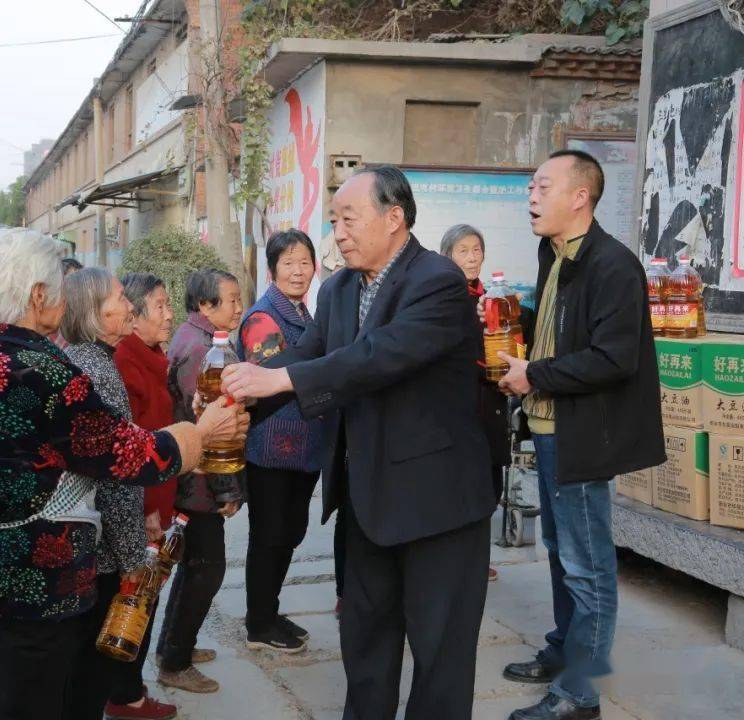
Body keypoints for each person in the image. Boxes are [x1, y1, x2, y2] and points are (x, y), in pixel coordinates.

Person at [0, 228, 246, 720]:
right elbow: (126, 456)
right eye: (57, 281)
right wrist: (198, 434)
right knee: (29, 703)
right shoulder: (46, 371)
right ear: (38, 296)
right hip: (33, 585)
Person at [222, 165, 497, 720]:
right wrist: (248, 392)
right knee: (366, 645)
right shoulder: (343, 286)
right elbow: (315, 353)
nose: (338, 233)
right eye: (334, 221)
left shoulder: (437, 281)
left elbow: (383, 355)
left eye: (349, 219)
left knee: (439, 656)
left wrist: (284, 379)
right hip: (368, 499)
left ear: (394, 218)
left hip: (436, 503)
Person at [492, 151, 664, 720]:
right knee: (561, 551)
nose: (532, 197)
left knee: (588, 563)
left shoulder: (614, 266)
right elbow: (557, 332)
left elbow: (614, 358)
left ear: (579, 197)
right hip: (546, 425)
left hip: (582, 433)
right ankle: (566, 650)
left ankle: (580, 693)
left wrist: (534, 374)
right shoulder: (555, 254)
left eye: (543, 186)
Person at [61, 268, 176, 720]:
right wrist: (131, 558)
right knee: (90, 672)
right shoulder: (101, 371)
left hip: (87, 539)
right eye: (117, 299)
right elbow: (119, 476)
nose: (129, 305)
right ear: (92, 312)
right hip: (101, 546)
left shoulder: (86, 360)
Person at [156, 268, 246, 694]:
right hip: (197, 482)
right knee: (206, 570)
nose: (238, 307)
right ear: (206, 306)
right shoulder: (201, 351)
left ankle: (174, 646)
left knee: (191, 567)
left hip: (190, 476)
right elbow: (212, 427)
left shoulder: (195, 339)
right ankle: (174, 661)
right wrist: (227, 488)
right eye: (230, 300)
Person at [237, 230, 324, 653]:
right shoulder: (262, 318)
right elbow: (270, 379)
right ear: (272, 270)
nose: (297, 270)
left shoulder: (302, 313)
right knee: (270, 536)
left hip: (302, 449)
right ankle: (258, 623)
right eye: (288, 262)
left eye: (304, 262)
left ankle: (268, 611)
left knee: (288, 533)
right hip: (272, 450)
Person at [108, 271, 181, 720]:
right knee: (134, 600)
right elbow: (133, 444)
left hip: (161, 499)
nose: (169, 313)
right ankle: (125, 696)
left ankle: (124, 688)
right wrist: (149, 510)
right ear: (133, 316)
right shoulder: (124, 363)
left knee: (146, 597)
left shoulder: (153, 356)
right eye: (159, 305)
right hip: (143, 507)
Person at [440, 222, 527, 583]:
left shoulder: (492, 296)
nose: (472, 256)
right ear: (447, 255)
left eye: (477, 249)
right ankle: (452, 560)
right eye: (463, 250)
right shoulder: (443, 295)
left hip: (490, 400)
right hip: (456, 404)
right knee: (456, 485)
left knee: (488, 483)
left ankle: (475, 558)